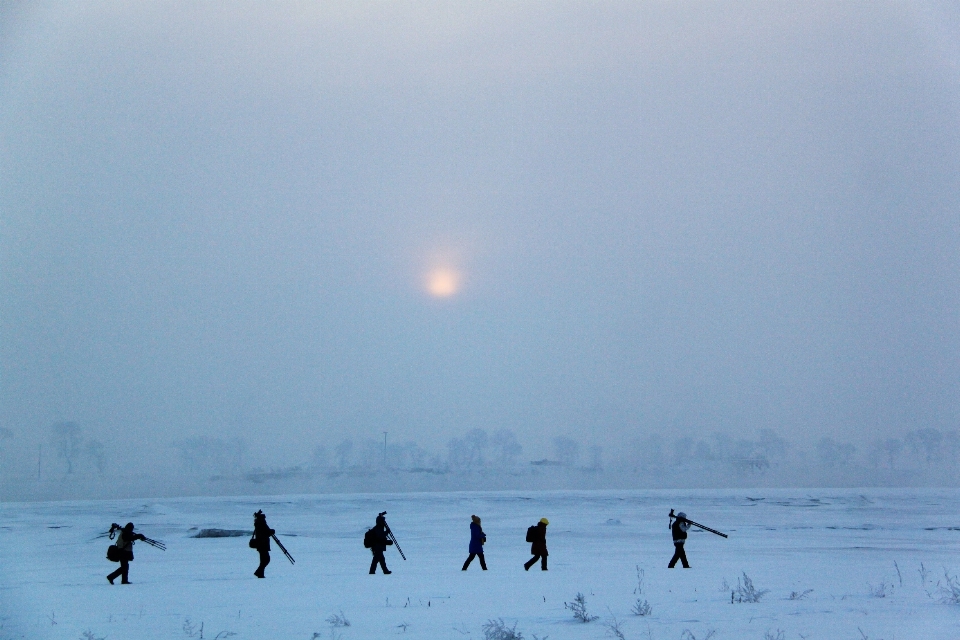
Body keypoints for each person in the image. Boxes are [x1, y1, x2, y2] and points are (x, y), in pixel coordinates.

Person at [252, 510, 275, 578]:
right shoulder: (261, 524)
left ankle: (260, 573)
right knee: (266, 559)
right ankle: (259, 573)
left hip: (262, 544)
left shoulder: (259, 523)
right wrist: (272, 531)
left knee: (264, 560)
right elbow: (266, 532)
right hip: (262, 544)